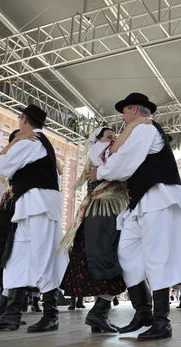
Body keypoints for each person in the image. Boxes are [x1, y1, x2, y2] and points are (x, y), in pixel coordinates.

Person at [87, 93, 181, 341]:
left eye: (124, 112)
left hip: (158, 198)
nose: (122, 117)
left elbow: (124, 164)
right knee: (126, 253)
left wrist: (100, 173)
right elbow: (104, 155)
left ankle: (162, 321)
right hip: (141, 202)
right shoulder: (136, 129)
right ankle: (143, 312)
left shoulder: (146, 129)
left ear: (134, 109)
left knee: (157, 258)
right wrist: (104, 165)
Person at [0, 104, 68, 332]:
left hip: (38, 205)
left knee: (43, 258)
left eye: (19, 118)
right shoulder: (37, 141)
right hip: (30, 206)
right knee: (16, 258)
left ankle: (51, 315)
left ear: (25, 120)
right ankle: (12, 313)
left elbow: (0, 166)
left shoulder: (30, 140)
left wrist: (15, 140)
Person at [61, 124, 143, 333]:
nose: (113, 139)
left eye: (114, 136)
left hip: (98, 213)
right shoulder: (101, 154)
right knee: (110, 258)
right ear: (97, 141)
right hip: (106, 213)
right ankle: (98, 312)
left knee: (106, 259)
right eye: (108, 137)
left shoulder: (103, 155)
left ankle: (99, 314)